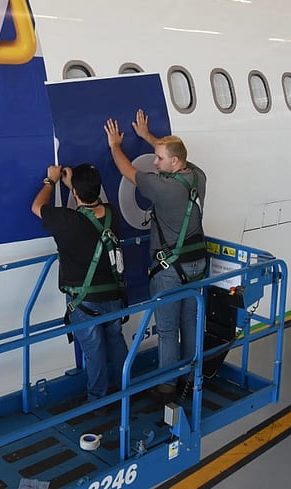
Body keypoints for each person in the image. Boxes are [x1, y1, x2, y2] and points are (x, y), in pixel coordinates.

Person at [104, 109, 207, 398]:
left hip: (169, 270)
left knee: (166, 329)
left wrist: (115, 145)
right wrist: (149, 137)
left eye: (160, 158)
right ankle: (190, 379)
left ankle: (166, 386)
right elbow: (172, 155)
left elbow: (128, 171)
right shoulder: (198, 176)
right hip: (197, 262)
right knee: (190, 323)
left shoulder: (163, 188)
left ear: (175, 161)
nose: (155, 161)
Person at [31, 163, 129, 403]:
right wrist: (74, 186)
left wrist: (51, 181)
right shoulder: (112, 213)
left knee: (94, 351)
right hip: (114, 296)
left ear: (74, 193)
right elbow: (89, 217)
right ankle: (127, 388)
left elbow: (38, 207)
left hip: (84, 301)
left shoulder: (66, 221)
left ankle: (98, 400)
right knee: (115, 340)